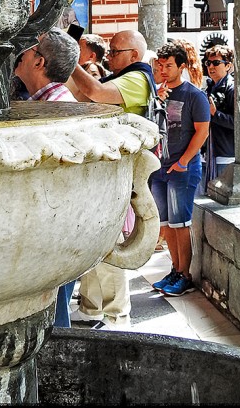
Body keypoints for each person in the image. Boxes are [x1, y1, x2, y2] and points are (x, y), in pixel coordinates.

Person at [69, 29, 153, 327]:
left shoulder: (137, 78)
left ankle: (117, 314)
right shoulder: (122, 76)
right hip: (107, 172)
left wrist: (69, 61)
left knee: (111, 244)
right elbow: (83, 96)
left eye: (115, 51)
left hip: (119, 174)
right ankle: (91, 307)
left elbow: (95, 94)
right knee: (95, 241)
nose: (109, 56)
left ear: (134, 55)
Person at [11, 30, 79, 328]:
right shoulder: (49, 101)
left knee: (53, 314)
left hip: (58, 228)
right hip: (58, 225)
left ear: (38, 63)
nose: (19, 55)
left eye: (25, 52)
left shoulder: (55, 108)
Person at [149, 41, 210, 297]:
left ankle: (185, 274)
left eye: (168, 66)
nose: (163, 70)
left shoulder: (194, 95)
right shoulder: (157, 92)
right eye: (160, 65)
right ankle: (175, 269)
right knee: (166, 224)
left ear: (181, 67)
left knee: (180, 223)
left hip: (182, 167)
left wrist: (183, 161)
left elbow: (202, 131)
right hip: (160, 167)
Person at [13, 29, 79, 103]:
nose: (21, 50)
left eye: (28, 46)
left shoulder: (52, 109)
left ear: (38, 62)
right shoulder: (52, 101)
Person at [204, 44, 235, 184]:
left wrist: (215, 114)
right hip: (210, 153)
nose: (211, 67)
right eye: (208, 63)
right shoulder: (209, 88)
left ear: (228, 66)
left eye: (216, 63)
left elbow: (238, 123)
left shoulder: (232, 89)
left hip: (226, 155)